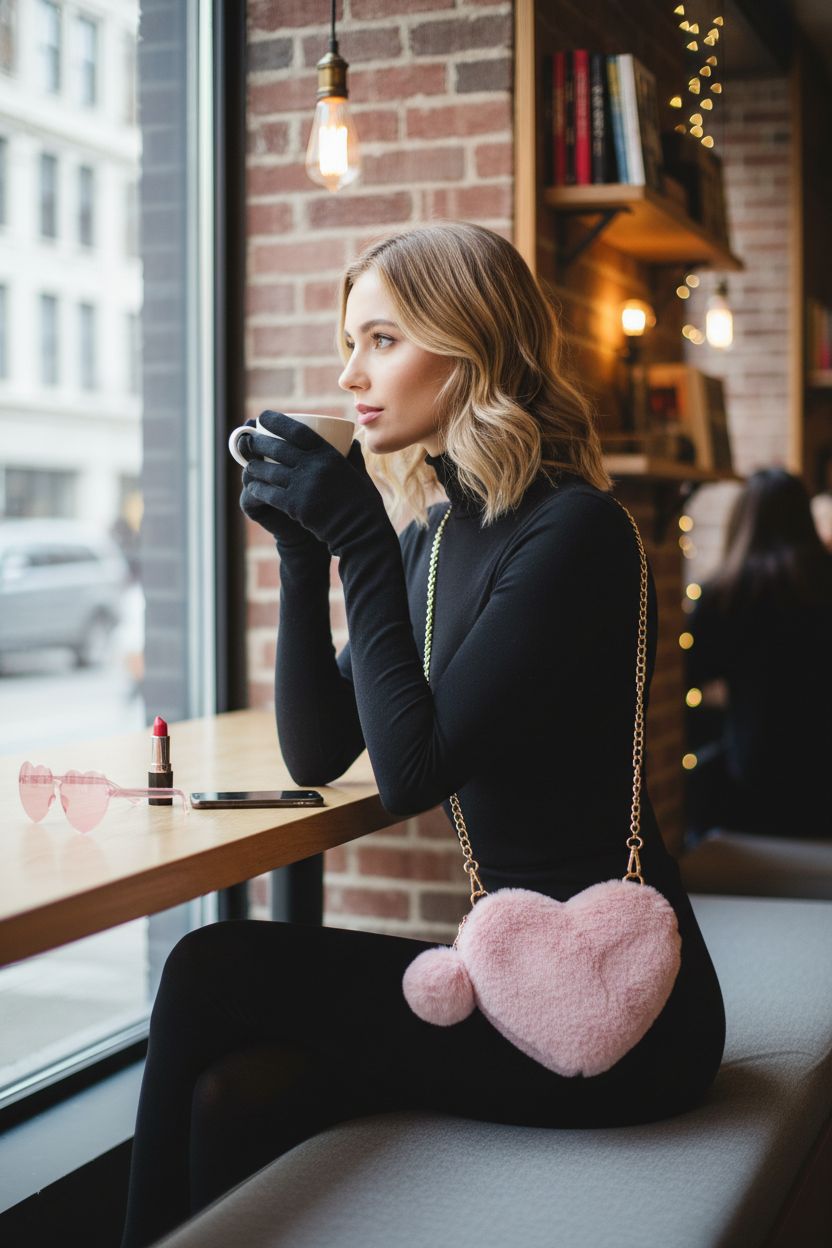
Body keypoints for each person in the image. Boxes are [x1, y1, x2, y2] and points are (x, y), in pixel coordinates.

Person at [120, 222, 725, 1248]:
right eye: (349, 343)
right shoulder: (432, 543)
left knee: (207, 971)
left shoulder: (574, 533)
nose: (350, 374)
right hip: (513, 974)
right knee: (233, 1097)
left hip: (626, 1010)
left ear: (471, 346)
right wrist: (305, 558)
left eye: (383, 340)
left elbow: (412, 773)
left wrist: (359, 533)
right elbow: (319, 750)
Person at [686, 468, 832, 842]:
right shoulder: (823, 580)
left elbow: (693, 670)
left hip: (755, 767)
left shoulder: (726, 592)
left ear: (744, 520)